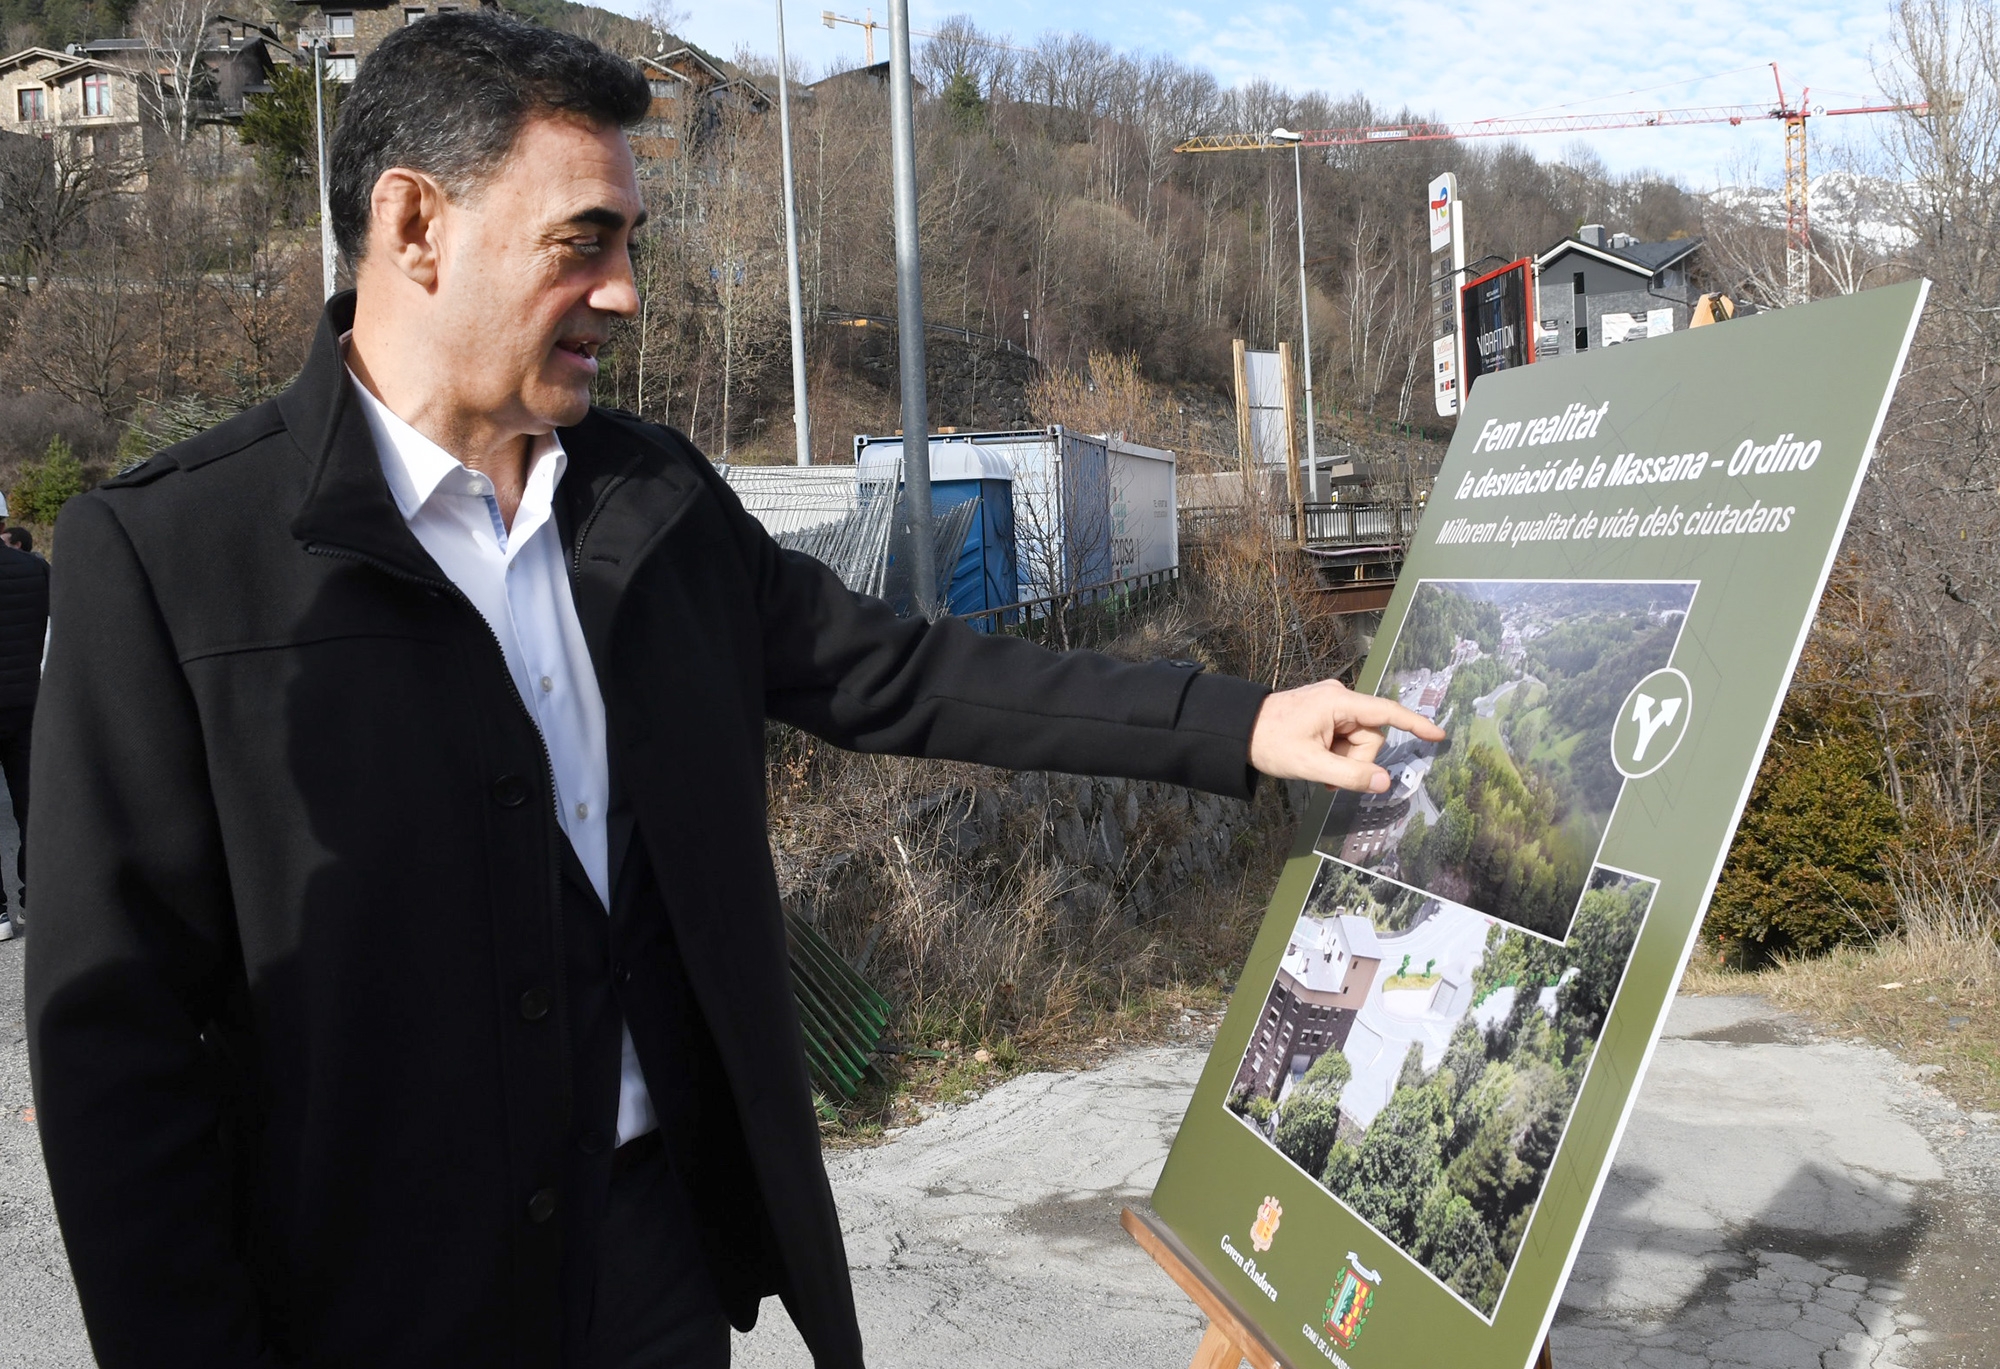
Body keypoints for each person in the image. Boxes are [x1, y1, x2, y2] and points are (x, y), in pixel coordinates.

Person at [24, 14, 1444, 1369]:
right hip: (370, 1310)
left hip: (654, 1269)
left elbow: (900, 671)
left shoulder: (652, 504)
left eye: (630, 243)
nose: (626, 293)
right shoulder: (171, 560)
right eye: (584, 244)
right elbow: (117, 1052)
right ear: (413, 226)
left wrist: (1239, 722)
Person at [0, 526, 45, 940]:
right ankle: (39, 899)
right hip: (28, 702)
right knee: (33, 805)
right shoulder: (34, 568)